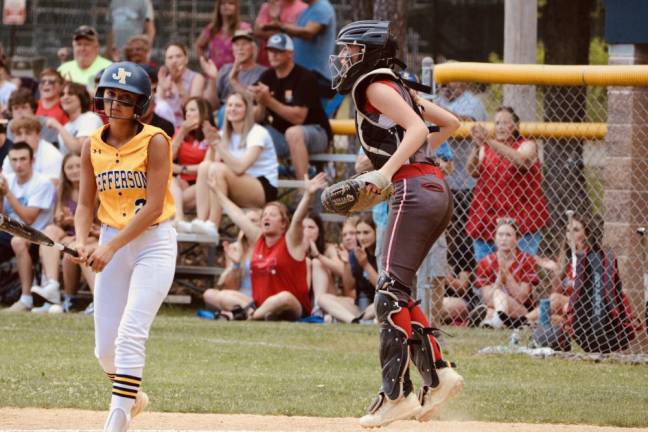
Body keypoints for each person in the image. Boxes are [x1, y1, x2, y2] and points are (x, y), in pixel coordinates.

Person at [330, 20, 463, 427]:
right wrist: (401, 162)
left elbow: (421, 129)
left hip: (415, 192)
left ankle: (398, 395)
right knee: (396, 291)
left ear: (367, 53)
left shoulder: (373, 85)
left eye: (349, 50)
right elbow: (451, 125)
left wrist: (386, 172)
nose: (343, 58)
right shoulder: (393, 85)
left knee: (387, 293)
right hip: (432, 188)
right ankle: (438, 375)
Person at [71, 62, 176, 431]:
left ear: (141, 106)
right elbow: (85, 205)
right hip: (110, 240)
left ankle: (116, 420)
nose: (115, 104)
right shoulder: (91, 144)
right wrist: (84, 240)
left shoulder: (156, 141)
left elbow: (154, 207)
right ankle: (131, 394)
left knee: (132, 331)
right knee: (104, 349)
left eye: (125, 98)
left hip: (153, 243)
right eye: (110, 95)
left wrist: (110, 246)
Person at [213, 172, 326, 320]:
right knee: (222, 296)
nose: (266, 217)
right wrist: (217, 192)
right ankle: (253, 313)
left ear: (283, 223)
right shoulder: (259, 239)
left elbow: (298, 219)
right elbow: (238, 216)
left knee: (283, 297)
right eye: (264, 215)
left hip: (292, 306)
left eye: (272, 215)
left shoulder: (290, 241)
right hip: (261, 305)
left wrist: (308, 195)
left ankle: (249, 317)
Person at [466, 106, 550, 262]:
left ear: (516, 126)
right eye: (497, 123)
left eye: (505, 123)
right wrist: (477, 147)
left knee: (520, 271)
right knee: (486, 274)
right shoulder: (487, 147)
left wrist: (488, 141)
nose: (500, 127)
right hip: (488, 221)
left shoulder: (527, 145)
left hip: (522, 223)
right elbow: (472, 171)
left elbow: (522, 161)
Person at [191, 92, 278, 239]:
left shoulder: (258, 133)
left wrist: (217, 144)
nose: (232, 109)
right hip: (236, 184)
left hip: (262, 187)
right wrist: (212, 144)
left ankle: (213, 224)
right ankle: (201, 221)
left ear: (247, 110)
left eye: (238, 105)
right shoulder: (224, 133)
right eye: (230, 105)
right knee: (205, 166)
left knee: (217, 169)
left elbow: (239, 168)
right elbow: (208, 165)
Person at [434, 74, 487, 301]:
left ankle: (470, 289)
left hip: (466, 181)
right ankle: (446, 284)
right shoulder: (437, 99)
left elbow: (466, 122)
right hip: (443, 181)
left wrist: (441, 115)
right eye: (443, 81)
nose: (445, 86)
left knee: (466, 234)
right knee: (446, 232)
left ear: (463, 82)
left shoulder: (473, 102)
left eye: (451, 81)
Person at [250, 33, 332, 181]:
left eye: (278, 51)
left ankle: (304, 193)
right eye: (270, 50)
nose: (273, 55)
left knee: (293, 133)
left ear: (290, 54)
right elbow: (258, 117)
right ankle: (257, 191)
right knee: (251, 133)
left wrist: (268, 101)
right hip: (281, 135)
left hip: (315, 132)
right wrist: (261, 103)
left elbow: (299, 118)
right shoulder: (267, 76)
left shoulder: (305, 77)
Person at [30, 153, 100, 314]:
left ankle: (93, 300)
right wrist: (63, 220)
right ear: (64, 171)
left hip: (93, 235)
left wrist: (79, 227)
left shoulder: (96, 190)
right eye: (69, 167)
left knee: (74, 249)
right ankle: (52, 285)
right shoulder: (61, 191)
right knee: (49, 231)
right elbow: (57, 220)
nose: (74, 170)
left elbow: (101, 225)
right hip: (71, 235)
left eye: (78, 166)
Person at [0, 142, 56, 312]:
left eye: (23, 159)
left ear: (32, 160)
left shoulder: (42, 183)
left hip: (35, 234)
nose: (18, 164)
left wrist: (7, 193)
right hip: (9, 231)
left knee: (18, 241)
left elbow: (28, 219)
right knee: (15, 239)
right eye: (14, 160)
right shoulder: (7, 179)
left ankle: (26, 298)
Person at [475, 218, 539, 329]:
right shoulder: (486, 261)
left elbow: (523, 298)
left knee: (497, 297)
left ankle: (494, 321)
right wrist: (499, 281)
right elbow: (487, 299)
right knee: (492, 304)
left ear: (517, 239)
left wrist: (507, 276)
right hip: (494, 306)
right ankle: (499, 320)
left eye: (508, 235)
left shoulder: (526, 260)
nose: (503, 239)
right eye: (500, 234)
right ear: (495, 238)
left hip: (520, 310)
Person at [202, 208, 262, 319]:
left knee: (224, 296)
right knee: (209, 294)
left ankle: (244, 312)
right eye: (246, 221)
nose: (248, 224)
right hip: (237, 297)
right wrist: (236, 265)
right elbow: (231, 287)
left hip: (260, 298)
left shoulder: (269, 247)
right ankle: (242, 312)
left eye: (253, 220)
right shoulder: (235, 248)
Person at [318, 216, 379, 323]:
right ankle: (354, 321)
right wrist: (346, 263)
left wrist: (365, 264)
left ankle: (344, 318)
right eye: (358, 233)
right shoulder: (354, 254)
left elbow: (383, 287)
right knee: (322, 299)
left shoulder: (382, 254)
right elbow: (349, 289)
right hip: (359, 306)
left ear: (376, 232)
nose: (362, 237)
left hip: (377, 304)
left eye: (366, 232)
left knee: (385, 300)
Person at [272, 0, 336, 96]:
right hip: (304, 75)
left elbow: (309, 33)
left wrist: (281, 26)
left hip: (316, 76)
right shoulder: (308, 9)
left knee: (313, 110)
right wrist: (276, 19)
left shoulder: (322, 7)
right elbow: (294, 33)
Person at [169, 97, 213, 231]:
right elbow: (167, 157)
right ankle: (179, 220)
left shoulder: (212, 134)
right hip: (182, 185)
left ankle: (177, 215)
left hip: (203, 185)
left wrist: (181, 169)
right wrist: (182, 132)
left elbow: (208, 165)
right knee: (168, 180)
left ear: (203, 112)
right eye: (186, 111)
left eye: (192, 110)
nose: (187, 114)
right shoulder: (181, 132)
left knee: (173, 199)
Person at [201, 29, 267, 114]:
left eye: (244, 44)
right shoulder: (225, 69)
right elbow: (211, 105)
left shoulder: (263, 73)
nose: (240, 48)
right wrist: (213, 79)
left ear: (253, 48)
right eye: (236, 44)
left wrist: (234, 80)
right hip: (223, 117)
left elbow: (257, 107)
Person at [46, 82, 104, 155]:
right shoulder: (66, 127)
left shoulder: (90, 118)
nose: (65, 97)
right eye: (62, 94)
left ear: (81, 97)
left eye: (70, 93)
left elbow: (80, 150)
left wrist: (57, 125)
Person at [157, 43, 206, 129]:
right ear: (166, 62)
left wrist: (179, 83)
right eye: (170, 57)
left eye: (178, 56)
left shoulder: (197, 78)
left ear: (186, 59)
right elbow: (158, 109)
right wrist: (162, 90)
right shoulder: (164, 80)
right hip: (165, 126)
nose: (174, 60)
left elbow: (195, 108)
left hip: (188, 125)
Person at [2, 116, 63, 184]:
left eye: (28, 133)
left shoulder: (52, 155)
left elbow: (53, 185)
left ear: (38, 135)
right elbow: (4, 182)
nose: (23, 138)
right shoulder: (12, 154)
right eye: (19, 134)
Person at [194, 0, 252, 70]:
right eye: (223, 3)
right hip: (215, 75)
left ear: (236, 7)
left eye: (231, 3)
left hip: (237, 75)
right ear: (218, 7)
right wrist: (206, 63)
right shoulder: (211, 29)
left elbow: (252, 52)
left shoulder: (244, 28)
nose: (226, 6)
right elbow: (198, 46)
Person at [254, 0, 307, 66]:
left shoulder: (304, 8)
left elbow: (299, 35)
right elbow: (258, 32)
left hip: (293, 63)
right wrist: (286, 31)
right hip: (266, 63)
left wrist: (276, 21)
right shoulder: (269, 5)